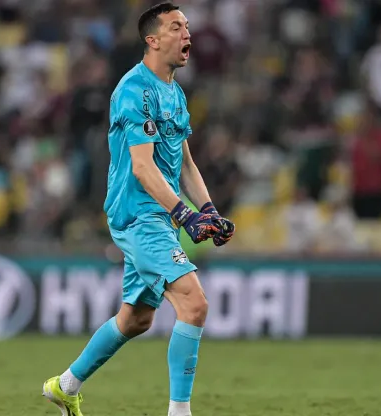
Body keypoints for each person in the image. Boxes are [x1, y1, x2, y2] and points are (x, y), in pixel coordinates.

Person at [41, 4, 235, 416]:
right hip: (138, 213)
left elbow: (184, 163)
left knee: (136, 319)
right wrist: (186, 216)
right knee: (194, 304)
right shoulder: (134, 90)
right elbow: (144, 168)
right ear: (153, 39)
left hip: (161, 215)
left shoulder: (175, 93)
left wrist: (209, 210)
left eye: (187, 27)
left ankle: (64, 385)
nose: (187, 35)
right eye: (176, 27)